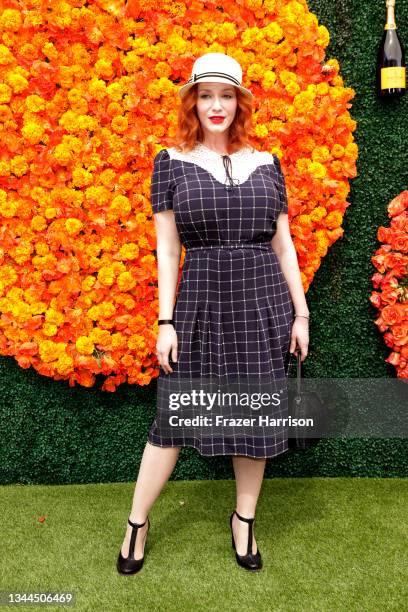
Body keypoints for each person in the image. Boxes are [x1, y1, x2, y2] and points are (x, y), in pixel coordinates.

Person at [117, 52, 309, 575]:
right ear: (193, 103)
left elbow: (284, 246)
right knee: (173, 418)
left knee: (255, 418)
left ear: (240, 103)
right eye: (206, 96)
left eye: (226, 96)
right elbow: (167, 252)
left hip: (262, 301)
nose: (216, 106)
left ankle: (243, 519)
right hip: (199, 301)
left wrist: (301, 313)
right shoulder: (170, 162)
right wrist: (165, 321)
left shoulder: (268, 163)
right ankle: (137, 521)